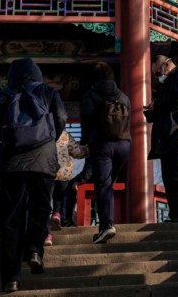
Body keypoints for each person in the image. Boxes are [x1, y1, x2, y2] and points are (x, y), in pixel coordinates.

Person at [0, 58, 66, 294]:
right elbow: (60, 117)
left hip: (10, 163)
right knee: (42, 208)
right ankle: (34, 249)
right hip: (43, 159)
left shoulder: (2, 95)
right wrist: (48, 137)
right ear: (36, 73)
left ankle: (11, 279)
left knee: (11, 219)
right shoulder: (48, 91)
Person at [79, 62, 130, 243]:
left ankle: (107, 225)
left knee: (103, 185)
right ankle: (119, 218)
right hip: (124, 145)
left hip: (102, 146)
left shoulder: (90, 95)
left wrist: (85, 144)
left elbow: (86, 122)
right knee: (110, 182)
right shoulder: (123, 96)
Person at [144, 54, 178, 222]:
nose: (159, 77)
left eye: (158, 73)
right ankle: (175, 213)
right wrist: (152, 110)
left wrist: (158, 104)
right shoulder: (167, 85)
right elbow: (165, 106)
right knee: (169, 178)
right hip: (165, 137)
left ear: (165, 66)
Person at [47, 131, 87, 245]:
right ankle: (57, 214)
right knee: (59, 196)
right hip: (63, 172)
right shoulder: (65, 135)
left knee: (44, 201)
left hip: (46, 171)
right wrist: (90, 148)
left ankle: (47, 231)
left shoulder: (42, 132)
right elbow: (77, 152)